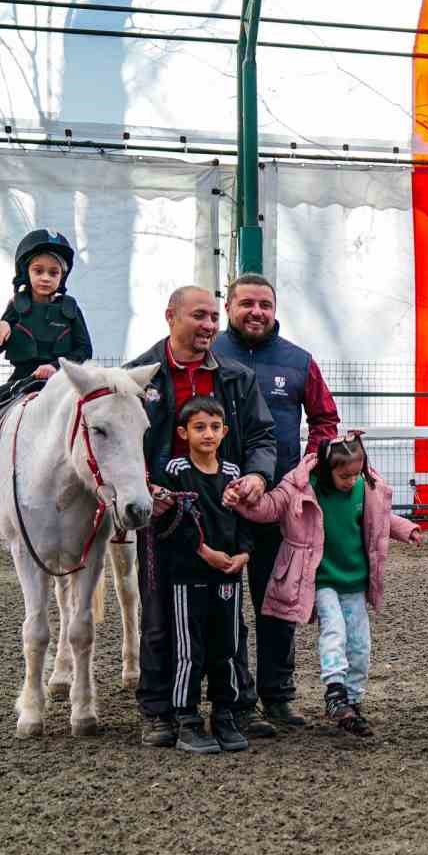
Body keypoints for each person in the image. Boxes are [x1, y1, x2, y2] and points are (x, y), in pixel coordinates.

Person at [129, 287, 276, 749]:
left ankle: (234, 707)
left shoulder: (236, 376)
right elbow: (121, 443)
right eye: (200, 316)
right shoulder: (138, 377)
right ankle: (161, 712)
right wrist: (144, 487)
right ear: (170, 316)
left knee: (227, 614)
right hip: (164, 516)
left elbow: (261, 435)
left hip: (223, 510)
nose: (210, 325)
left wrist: (256, 476)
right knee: (161, 614)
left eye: (214, 316)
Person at [211, 273, 341, 738]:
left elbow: (325, 419)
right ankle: (235, 699)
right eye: (247, 303)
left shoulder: (298, 361)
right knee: (224, 606)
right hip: (219, 503)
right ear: (228, 307)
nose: (257, 312)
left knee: (277, 599)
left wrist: (309, 467)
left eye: (264, 304)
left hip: (278, 501)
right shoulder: (209, 355)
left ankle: (278, 696)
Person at [230, 433, 421, 738]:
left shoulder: (365, 487)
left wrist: (407, 529)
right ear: (326, 468)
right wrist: (243, 501)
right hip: (323, 579)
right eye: (344, 475)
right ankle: (335, 690)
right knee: (334, 630)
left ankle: (352, 699)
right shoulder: (302, 487)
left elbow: (380, 518)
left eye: (355, 474)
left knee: (360, 643)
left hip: (355, 580)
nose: (350, 480)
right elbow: (270, 507)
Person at [0, 229, 93, 511]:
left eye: (53, 272)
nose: (45, 277)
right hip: (23, 380)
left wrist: (55, 367)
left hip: (61, 382)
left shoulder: (71, 308)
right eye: (38, 270)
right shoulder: (16, 306)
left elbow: (84, 350)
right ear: (26, 272)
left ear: (61, 277)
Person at [152, 396, 253, 755]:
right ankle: (187, 718)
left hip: (227, 576)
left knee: (226, 645)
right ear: (183, 432)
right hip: (187, 576)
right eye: (199, 427)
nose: (207, 434)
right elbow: (169, 522)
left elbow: (245, 518)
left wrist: (243, 553)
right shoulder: (174, 472)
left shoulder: (233, 474)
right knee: (188, 649)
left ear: (225, 431)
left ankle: (224, 713)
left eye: (214, 427)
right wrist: (202, 550)